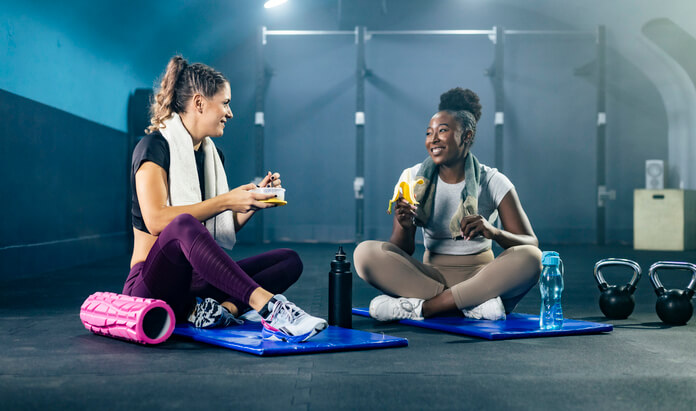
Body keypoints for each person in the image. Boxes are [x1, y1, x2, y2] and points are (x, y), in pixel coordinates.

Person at [122, 55, 327, 342]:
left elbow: (216, 225)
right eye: (226, 103)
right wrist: (227, 200)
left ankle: (220, 310)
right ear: (199, 103)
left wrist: (251, 202)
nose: (230, 113)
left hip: (194, 288)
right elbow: (157, 221)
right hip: (151, 286)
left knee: (288, 260)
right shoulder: (153, 147)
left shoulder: (212, 156)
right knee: (182, 224)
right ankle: (270, 307)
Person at [354, 87, 542, 321]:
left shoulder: (492, 180)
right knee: (364, 254)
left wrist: (493, 231)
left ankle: (423, 308)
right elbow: (403, 250)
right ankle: (472, 305)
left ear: (467, 136)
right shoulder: (413, 178)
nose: (433, 139)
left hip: (482, 276)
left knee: (532, 258)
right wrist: (404, 225)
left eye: (442, 131)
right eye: (429, 132)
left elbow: (530, 242)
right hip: (428, 277)